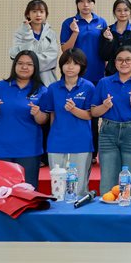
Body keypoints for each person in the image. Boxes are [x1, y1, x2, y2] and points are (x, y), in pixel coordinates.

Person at [91, 45, 131, 195]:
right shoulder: (104, 82)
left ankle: (130, 209)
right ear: (115, 62)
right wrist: (105, 106)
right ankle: (107, 208)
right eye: (120, 60)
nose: (124, 63)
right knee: (108, 180)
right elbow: (94, 112)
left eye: (128, 59)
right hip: (108, 132)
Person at [0, 51, 47, 188]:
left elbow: (43, 120)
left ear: (35, 67)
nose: (24, 67)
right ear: (14, 65)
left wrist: (37, 113)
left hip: (29, 149)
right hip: (0, 148)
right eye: (20, 63)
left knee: (27, 191)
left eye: (29, 64)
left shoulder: (42, 90)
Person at [40, 50, 96, 192]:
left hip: (81, 141)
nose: (70, 67)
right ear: (61, 66)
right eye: (67, 63)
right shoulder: (53, 88)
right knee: (58, 187)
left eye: (75, 64)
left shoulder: (88, 87)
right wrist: (53, 136)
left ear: (81, 67)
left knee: (80, 187)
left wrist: (73, 109)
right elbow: (52, 115)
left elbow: (90, 115)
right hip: (57, 141)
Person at [60, 0, 108, 85]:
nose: (85, 5)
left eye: (89, 1)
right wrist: (75, 33)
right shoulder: (68, 22)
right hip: (75, 71)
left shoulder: (101, 22)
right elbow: (65, 50)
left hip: (97, 71)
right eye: (81, 1)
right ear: (77, 3)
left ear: (94, 3)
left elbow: (105, 49)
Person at [10, 0, 60, 86]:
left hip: (46, 81)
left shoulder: (51, 34)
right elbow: (14, 54)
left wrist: (28, 64)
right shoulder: (20, 33)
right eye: (34, 11)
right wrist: (27, 34)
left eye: (41, 12)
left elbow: (51, 58)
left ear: (46, 14)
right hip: (24, 81)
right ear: (28, 14)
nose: (38, 15)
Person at [99, 0, 131, 79]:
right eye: (119, 10)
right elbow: (104, 56)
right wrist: (109, 41)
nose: (122, 13)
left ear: (130, 12)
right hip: (111, 75)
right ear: (114, 12)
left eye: (126, 10)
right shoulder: (107, 31)